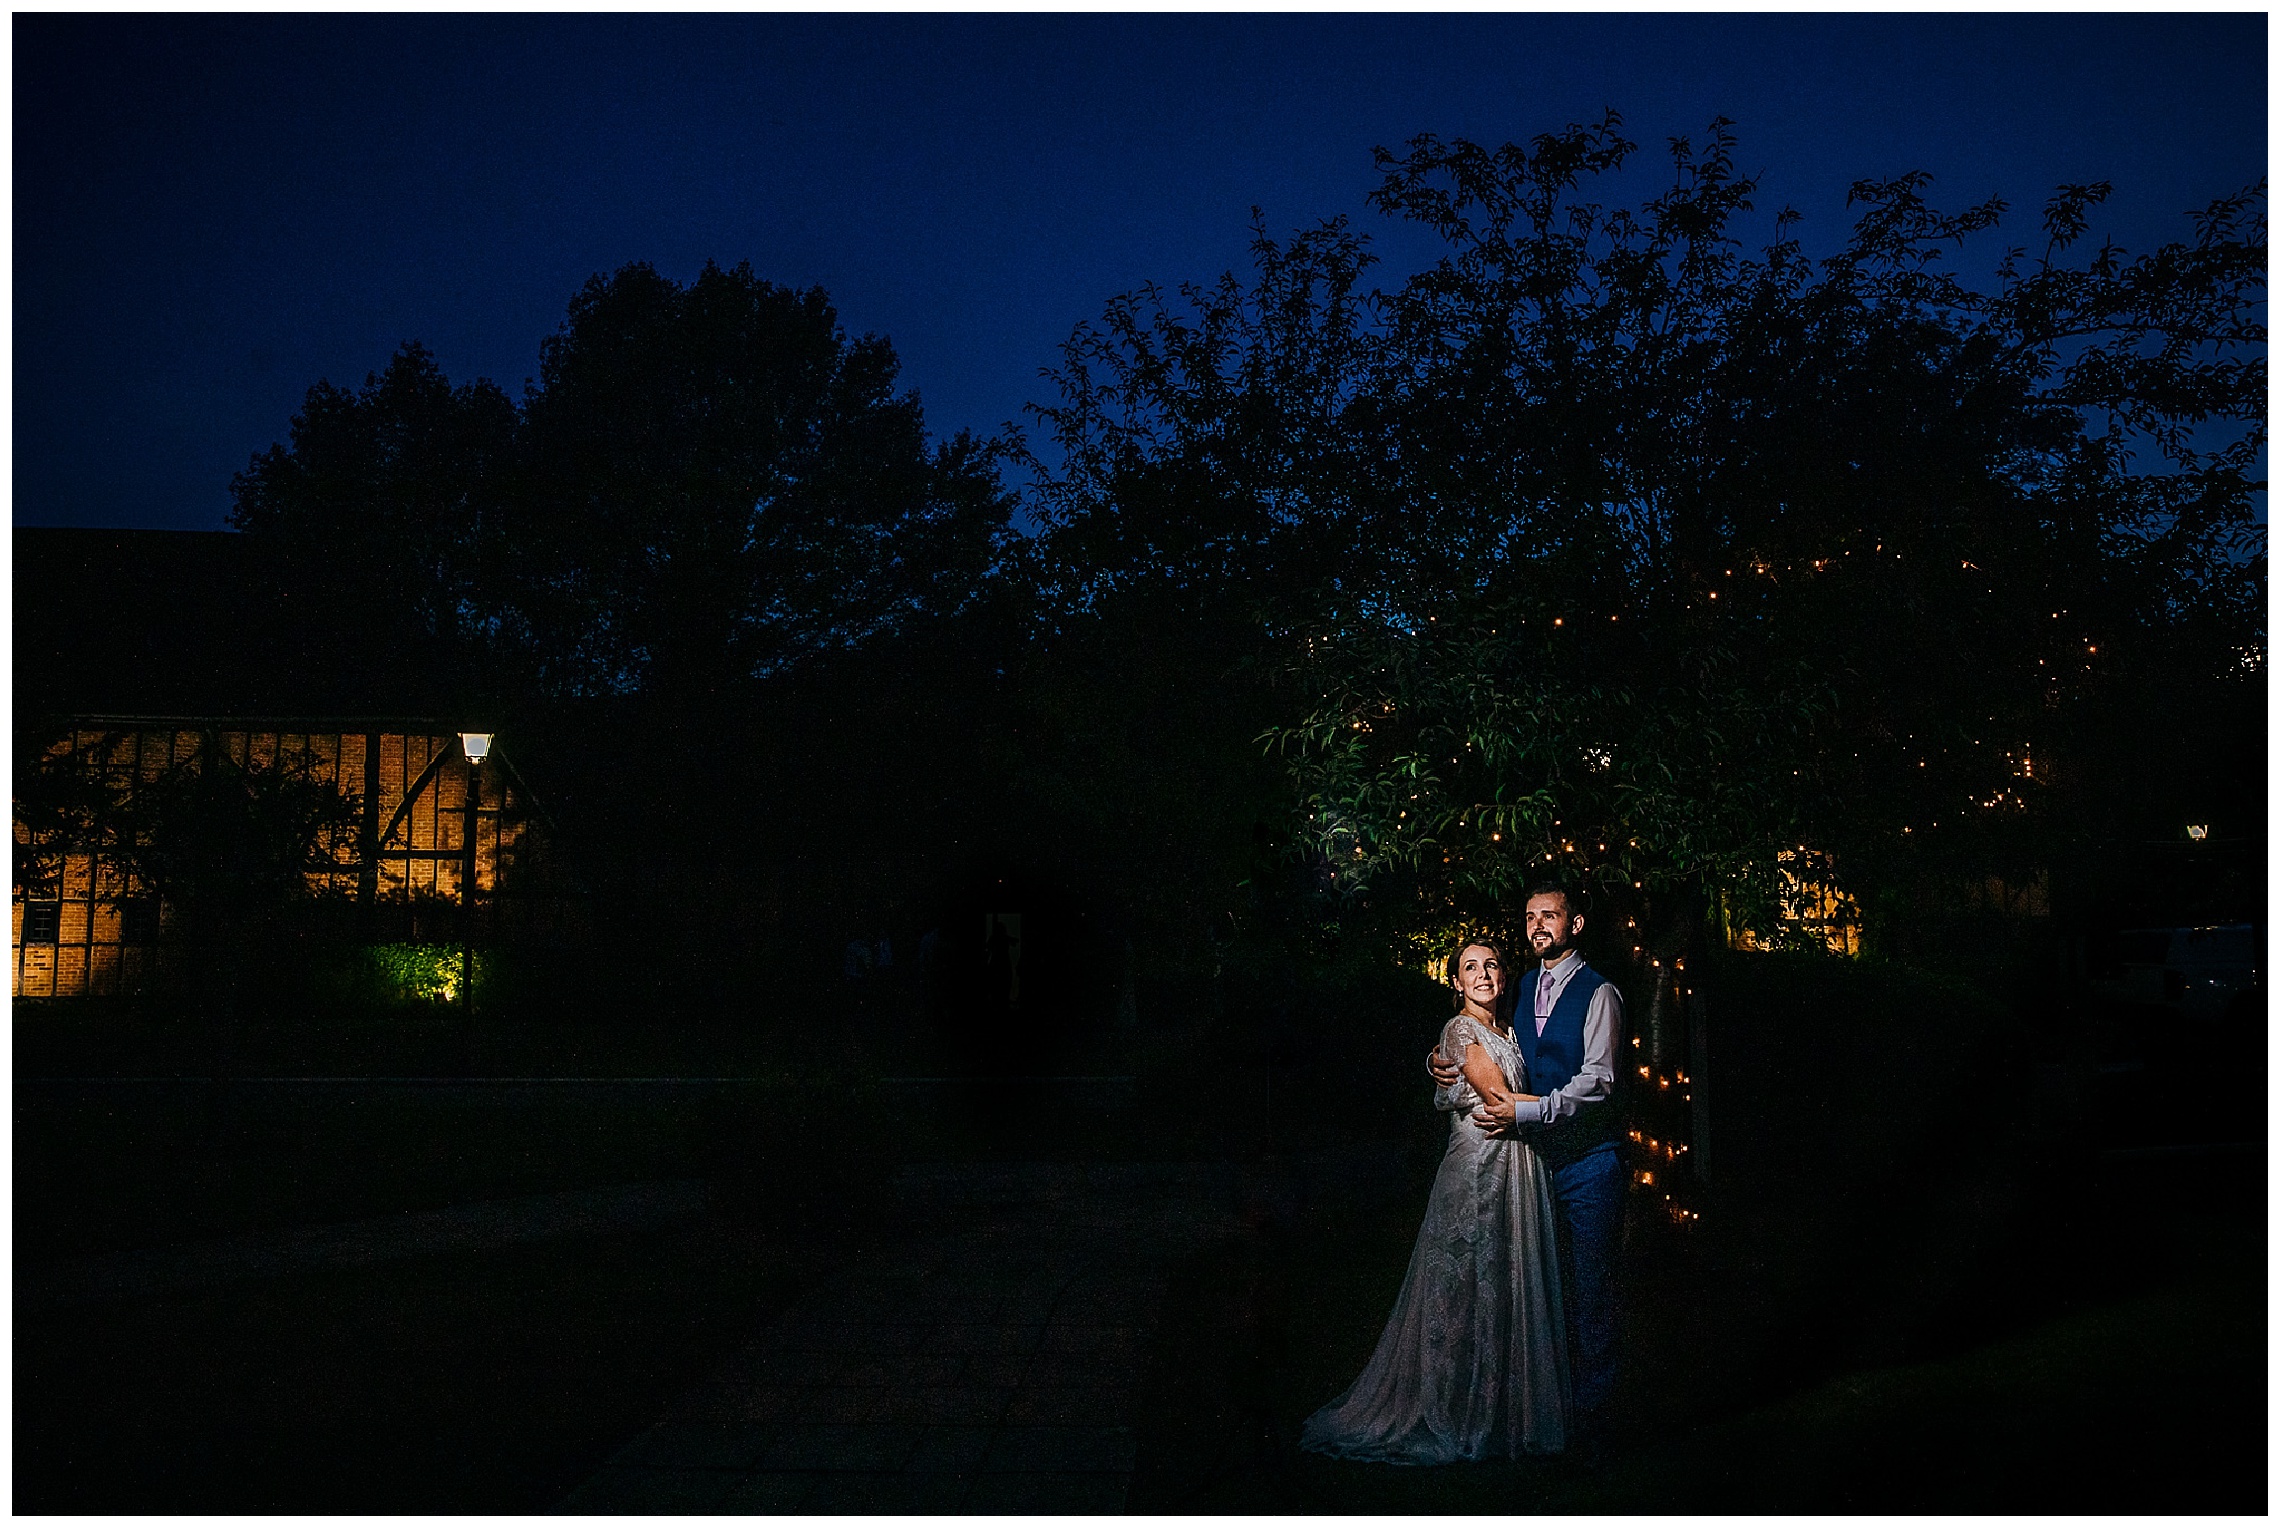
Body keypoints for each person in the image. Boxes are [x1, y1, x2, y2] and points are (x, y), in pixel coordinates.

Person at [1300, 937, 1570, 1462]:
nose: (1484, 974)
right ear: (1457, 982)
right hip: (1477, 1176)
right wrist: (1578, 1102)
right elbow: (1496, 1099)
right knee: (1466, 1287)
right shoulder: (1460, 1028)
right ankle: (1457, 1409)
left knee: (1503, 1288)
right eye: (1471, 967)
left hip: (1513, 1169)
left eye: (1491, 964)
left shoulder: (1508, 1031)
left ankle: (1497, 1412)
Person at [1428, 882, 1625, 1438]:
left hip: (1587, 1163)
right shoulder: (1518, 991)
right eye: (1531, 917)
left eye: (1551, 916)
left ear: (1575, 924)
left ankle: (1594, 1431)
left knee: (1591, 1297)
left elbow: (1599, 1081)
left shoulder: (1600, 993)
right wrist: (1439, 1060)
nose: (1538, 925)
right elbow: (1474, 1037)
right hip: (1532, 1169)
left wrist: (1528, 1112)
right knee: (1542, 1295)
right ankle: (1545, 1416)